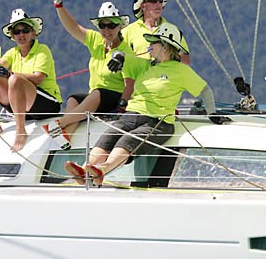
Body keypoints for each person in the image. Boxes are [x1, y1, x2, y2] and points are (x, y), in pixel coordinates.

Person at [63, 22, 227, 186]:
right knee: (107, 138)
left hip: (157, 122)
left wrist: (212, 113)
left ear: (165, 46)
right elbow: (123, 55)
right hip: (131, 116)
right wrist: (118, 57)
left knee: (126, 141)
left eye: (153, 42)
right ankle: (85, 170)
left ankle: (102, 171)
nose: (149, 45)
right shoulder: (146, 65)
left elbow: (205, 91)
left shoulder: (181, 70)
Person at [48, 0, 141, 150]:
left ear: (119, 26)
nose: (107, 30)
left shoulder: (126, 51)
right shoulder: (96, 41)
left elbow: (130, 84)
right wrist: (59, 6)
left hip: (114, 98)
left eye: (111, 25)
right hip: (96, 98)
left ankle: (58, 124)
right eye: (102, 25)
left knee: (98, 93)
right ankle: (67, 135)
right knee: (73, 99)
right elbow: (73, 28)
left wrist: (122, 106)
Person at [0, 8, 61, 152]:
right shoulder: (13, 53)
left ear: (32, 32)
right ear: (12, 35)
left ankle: (21, 130)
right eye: (17, 31)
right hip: (23, 104)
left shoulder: (42, 49)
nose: (21, 34)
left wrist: (11, 73)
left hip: (48, 104)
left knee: (14, 79)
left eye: (25, 30)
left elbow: (38, 77)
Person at [122, 0, 190, 65]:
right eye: (153, 1)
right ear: (143, 6)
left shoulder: (173, 30)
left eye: (160, 1)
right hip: (141, 77)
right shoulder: (128, 31)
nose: (158, 4)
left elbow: (185, 59)